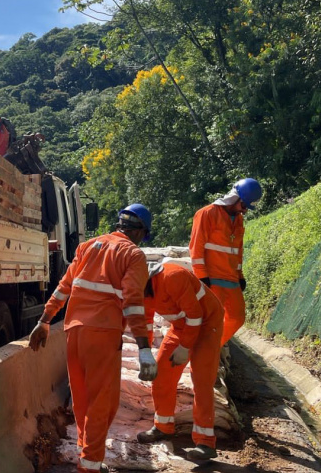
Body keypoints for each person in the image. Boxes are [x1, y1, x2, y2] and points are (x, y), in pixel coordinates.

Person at [29, 204, 159, 473]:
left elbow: (64, 287)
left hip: (73, 330)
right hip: (103, 334)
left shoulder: (88, 246)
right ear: (139, 232)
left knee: (82, 398)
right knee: (103, 403)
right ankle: (89, 466)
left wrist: (44, 320)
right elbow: (134, 303)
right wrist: (144, 347)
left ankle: (84, 453)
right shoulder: (133, 255)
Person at [135, 260, 225, 462]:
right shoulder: (140, 292)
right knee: (162, 374)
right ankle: (163, 427)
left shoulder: (173, 277)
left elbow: (196, 315)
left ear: (146, 279)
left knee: (202, 382)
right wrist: (146, 353)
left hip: (207, 323)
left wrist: (185, 348)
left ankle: (205, 443)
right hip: (181, 326)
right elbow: (145, 323)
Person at [189, 178, 262, 346]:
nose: (244, 211)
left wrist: (240, 275)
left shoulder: (238, 220)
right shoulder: (207, 213)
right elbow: (196, 247)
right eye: (244, 205)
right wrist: (201, 276)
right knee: (211, 321)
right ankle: (204, 352)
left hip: (231, 278)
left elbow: (237, 251)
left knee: (237, 318)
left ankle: (214, 346)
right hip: (211, 278)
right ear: (235, 197)